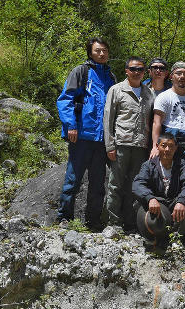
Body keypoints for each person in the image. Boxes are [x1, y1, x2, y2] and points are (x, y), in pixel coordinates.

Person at [56, 37, 116, 230]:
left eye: (104, 50)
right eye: (98, 50)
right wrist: (71, 125)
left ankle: (93, 221)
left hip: (101, 139)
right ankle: (64, 218)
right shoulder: (81, 72)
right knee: (73, 179)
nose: (101, 53)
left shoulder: (111, 77)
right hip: (81, 136)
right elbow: (65, 99)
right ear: (90, 52)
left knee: (98, 184)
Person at [103, 56, 155, 232]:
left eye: (140, 69)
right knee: (115, 184)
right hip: (121, 144)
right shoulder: (116, 90)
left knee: (136, 186)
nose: (136, 72)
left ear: (144, 72)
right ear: (126, 71)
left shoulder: (149, 93)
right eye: (133, 69)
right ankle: (113, 223)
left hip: (141, 146)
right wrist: (110, 145)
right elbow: (108, 119)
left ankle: (132, 223)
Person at [132, 133, 185, 247]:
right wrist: (150, 198)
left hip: (173, 202)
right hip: (157, 203)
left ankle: (178, 238)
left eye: (171, 146)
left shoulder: (181, 164)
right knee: (145, 210)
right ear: (157, 146)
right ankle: (154, 238)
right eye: (164, 145)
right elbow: (138, 184)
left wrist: (181, 201)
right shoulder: (149, 165)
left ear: (176, 148)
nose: (167, 149)